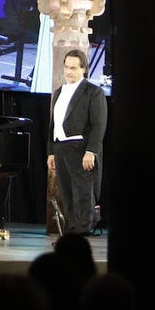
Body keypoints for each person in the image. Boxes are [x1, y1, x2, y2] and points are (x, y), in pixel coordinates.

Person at [47, 48, 107, 236]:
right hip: (61, 147)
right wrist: (51, 151)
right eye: (66, 67)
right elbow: (54, 123)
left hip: (81, 148)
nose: (68, 71)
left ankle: (82, 232)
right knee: (67, 193)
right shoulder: (59, 92)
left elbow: (99, 124)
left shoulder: (93, 92)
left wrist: (91, 151)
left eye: (73, 68)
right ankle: (72, 232)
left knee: (83, 193)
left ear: (84, 69)